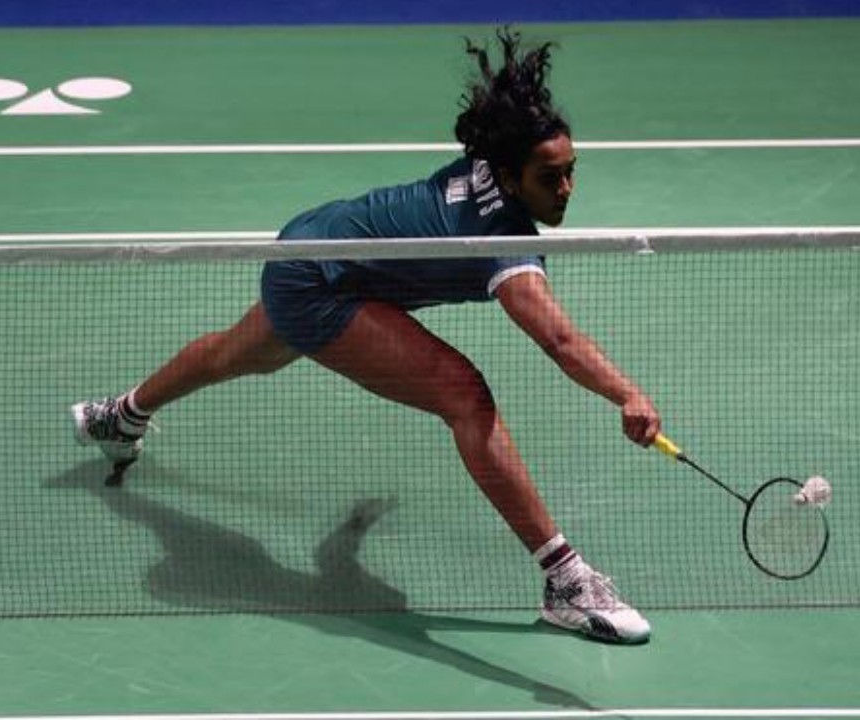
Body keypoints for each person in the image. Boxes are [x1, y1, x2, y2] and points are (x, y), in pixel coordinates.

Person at [72, 28, 659, 645]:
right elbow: (558, 340)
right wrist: (626, 394)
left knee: (236, 354)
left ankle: (119, 417)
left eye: (570, 173)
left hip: (313, 243)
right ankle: (566, 582)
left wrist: (344, 545)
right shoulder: (502, 240)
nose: (565, 190)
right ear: (510, 179)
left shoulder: (492, 161)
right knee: (464, 396)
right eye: (549, 178)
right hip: (320, 281)